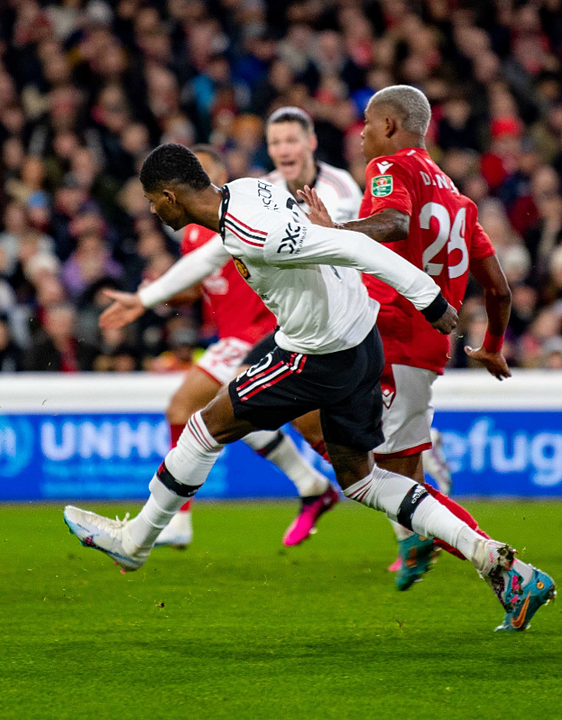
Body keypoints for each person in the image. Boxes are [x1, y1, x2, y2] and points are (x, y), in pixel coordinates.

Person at [67, 143, 554, 633]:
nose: (152, 209)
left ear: (170, 197)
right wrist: (149, 297)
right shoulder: (247, 192)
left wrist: (427, 298)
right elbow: (230, 252)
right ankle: (499, 564)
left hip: (317, 354)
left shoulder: (254, 231)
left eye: (153, 200)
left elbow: (355, 246)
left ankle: (135, 544)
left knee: (203, 427)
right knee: (361, 480)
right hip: (360, 341)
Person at [300, 85, 512, 588]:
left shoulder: (392, 168)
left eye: (367, 125)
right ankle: (420, 535)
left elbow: (393, 223)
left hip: (390, 337)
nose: (360, 137)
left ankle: (504, 567)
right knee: (384, 469)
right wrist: (492, 346)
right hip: (424, 348)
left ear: (391, 127)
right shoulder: (458, 199)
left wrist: (332, 229)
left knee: (388, 480)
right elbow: (499, 290)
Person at [101, 145, 334, 550]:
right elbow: (199, 284)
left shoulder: (240, 213)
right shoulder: (193, 232)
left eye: (206, 172)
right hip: (233, 337)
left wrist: (152, 295)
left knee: (298, 426)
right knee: (217, 414)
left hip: (260, 332)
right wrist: (159, 293)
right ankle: (321, 484)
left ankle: (359, 483)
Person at [262, 106, 362, 223]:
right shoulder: (262, 191)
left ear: (311, 142)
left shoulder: (341, 187)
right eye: (275, 143)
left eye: (291, 141)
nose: (283, 152)